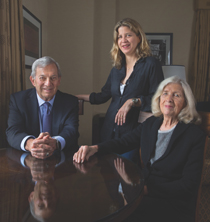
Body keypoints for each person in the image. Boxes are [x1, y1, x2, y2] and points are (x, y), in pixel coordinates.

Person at [73, 76, 206, 222]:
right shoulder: (151, 123)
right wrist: (95, 148)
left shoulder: (194, 135)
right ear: (159, 98)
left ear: (186, 103)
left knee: (119, 213)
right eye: (165, 93)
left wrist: (147, 190)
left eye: (177, 95)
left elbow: (188, 185)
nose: (169, 98)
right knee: (103, 205)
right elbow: (123, 142)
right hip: (143, 193)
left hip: (172, 202)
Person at [76, 18, 164, 162]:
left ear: (139, 37)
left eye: (128, 35)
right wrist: (78, 97)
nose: (123, 40)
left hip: (133, 133)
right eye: (119, 37)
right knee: (108, 176)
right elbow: (102, 96)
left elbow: (158, 98)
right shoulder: (116, 69)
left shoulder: (151, 64)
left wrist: (132, 101)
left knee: (127, 175)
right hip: (109, 131)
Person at [6, 56, 79, 159]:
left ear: (59, 80)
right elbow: (13, 131)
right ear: (33, 80)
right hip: (27, 161)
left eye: (53, 78)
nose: (48, 83)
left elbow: (71, 131)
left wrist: (55, 143)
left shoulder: (70, 102)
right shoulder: (18, 100)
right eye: (42, 78)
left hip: (60, 163)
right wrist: (31, 144)